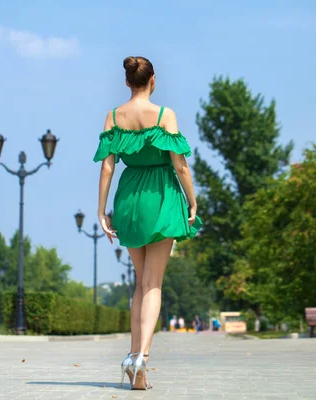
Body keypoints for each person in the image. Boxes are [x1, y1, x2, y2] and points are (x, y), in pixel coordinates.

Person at [94, 56, 202, 390]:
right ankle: (142, 358)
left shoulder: (114, 116)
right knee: (153, 283)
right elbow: (180, 165)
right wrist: (193, 200)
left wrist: (101, 211)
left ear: (128, 81)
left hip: (128, 198)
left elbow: (108, 167)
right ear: (152, 79)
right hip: (161, 195)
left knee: (141, 283)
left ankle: (132, 355)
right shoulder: (164, 115)